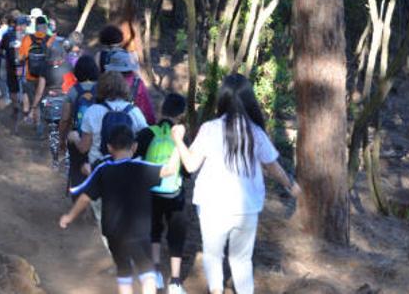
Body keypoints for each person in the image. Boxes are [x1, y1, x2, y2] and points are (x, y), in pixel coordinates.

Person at [171, 73, 300, 294]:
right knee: (242, 261)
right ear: (250, 100)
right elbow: (273, 167)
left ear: (222, 99)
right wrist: (290, 185)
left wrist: (178, 140)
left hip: (212, 208)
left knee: (213, 257)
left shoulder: (210, 128)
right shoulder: (256, 132)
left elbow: (191, 165)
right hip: (246, 210)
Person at [60, 125, 180, 294]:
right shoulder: (142, 167)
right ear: (134, 147)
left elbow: (86, 197)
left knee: (124, 272)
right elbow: (170, 169)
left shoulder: (103, 170)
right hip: (140, 232)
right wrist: (178, 143)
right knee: (148, 274)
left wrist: (69, 216)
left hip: (114, 233)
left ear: (109, 147)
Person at [134, 93, 189, 294]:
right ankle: (175, 281)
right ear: (181, 115)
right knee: (176, 236)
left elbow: (137, 164)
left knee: (154, 231)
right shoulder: (182, 138)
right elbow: (188, 170)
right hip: (175, 195)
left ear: (160, 110)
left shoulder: (146, 133)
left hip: (151, 193)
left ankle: (156, 271)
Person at [58, 54, 100, 195]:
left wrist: (62, 140)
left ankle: (78, 198)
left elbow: (65, 119)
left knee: (77, 170)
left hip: (78, 138)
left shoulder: (73, 91)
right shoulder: (102, 90)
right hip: (98, 138)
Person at [19, 16, 56, 124]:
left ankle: (27, 117)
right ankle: (39, 125)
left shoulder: (27, 38)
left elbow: (21, 57)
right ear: (45, 27)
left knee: (28, 94)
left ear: (35, 27)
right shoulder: (51, 39)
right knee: (40, 99)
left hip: (30, 74)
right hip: (45, 76)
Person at [104, 50, 157, 125]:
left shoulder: (106, 81)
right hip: (132, 124)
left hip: (107, 123)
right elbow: (147, 108)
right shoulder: (137, 83)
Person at [0, 15, 27, 111]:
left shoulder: (7, 35)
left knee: (15, 88)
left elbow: (1, 51)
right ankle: (20, 108)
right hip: (20, 66)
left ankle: (17, 107)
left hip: (14, 65)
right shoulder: (26, 36)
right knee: (21, 88)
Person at [0, 13, 12, 104]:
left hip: (3, 57)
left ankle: (6, 97)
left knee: (2, 78)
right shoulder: (14, 31)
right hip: (15, 58)